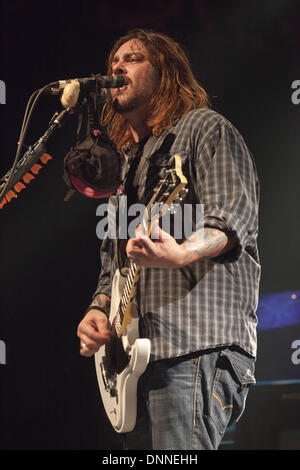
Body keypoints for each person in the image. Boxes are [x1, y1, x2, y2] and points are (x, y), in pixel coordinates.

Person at [77, 28, 260, 450]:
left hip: (195, 346)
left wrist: (182, 253)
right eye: (112, 64)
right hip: (133, 362)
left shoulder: (204, 129)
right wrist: (98, 310)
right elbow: (113, 269)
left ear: (165, 73)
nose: (117, 68)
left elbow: (233, 218)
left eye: (133, 58)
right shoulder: (123, 170)